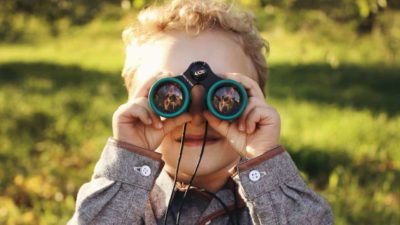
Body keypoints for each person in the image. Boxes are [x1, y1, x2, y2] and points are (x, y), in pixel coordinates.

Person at [68, 0, 333, 224]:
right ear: (136, 105)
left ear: (253, 103)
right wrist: (128, 165)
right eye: (169, 97)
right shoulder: (126, 199)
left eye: (223, 98)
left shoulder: (274, 202)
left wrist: (263, 159)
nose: (196, 119)